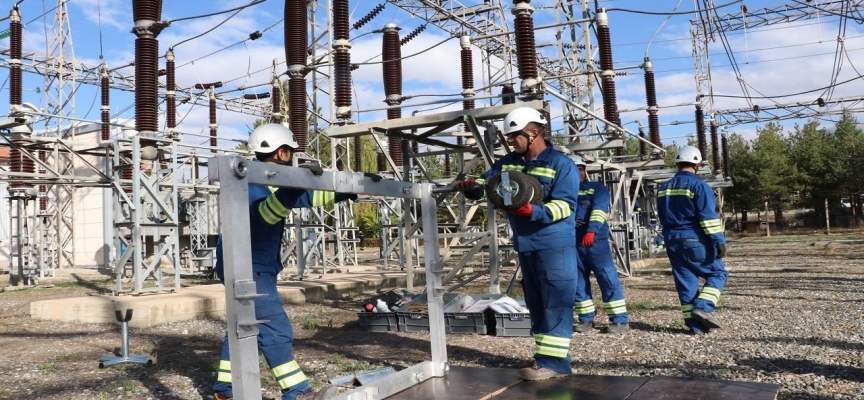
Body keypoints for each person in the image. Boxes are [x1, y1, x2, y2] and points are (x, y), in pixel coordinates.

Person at [213, 123, 356, 400]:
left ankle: (225, 391)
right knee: (276, 329)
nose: (292, 156)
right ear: (281, 152)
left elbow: (304, 196)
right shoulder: (252, 180)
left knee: (243, 326)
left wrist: (343, 191)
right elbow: (267, 214)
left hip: (253, 264)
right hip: (248, 267)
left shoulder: (267, 179)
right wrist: (295, 185)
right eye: (290, 151)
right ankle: (297, 392)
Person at [455, 107, 579, 381]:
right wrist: (473, 187)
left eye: (515, 136)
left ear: (534, 132)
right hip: (526, 243)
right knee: (536, 302)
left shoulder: (561, 165)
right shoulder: (509, 162)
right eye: (509, 137)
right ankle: (545, 358)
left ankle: (556, 363)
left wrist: (532, 211)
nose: (510, 141)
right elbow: (488, 181)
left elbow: (566, 207)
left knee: (555, 301)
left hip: (554, 244)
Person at [656, 145, 727, 335]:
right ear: (697, 165)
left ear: (677, 164)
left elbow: (662, 216)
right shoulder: (699, 186)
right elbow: (707, 217)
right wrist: (718, 240)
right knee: (718, 273)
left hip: (672, 241)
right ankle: (703, 307)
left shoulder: (663, 188)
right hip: (694, 239)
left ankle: (695, 326)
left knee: (686, 281)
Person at [568, 155, 629, 334]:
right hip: (572, 243)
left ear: (585, 170)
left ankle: (619, 320)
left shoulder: (597, 188)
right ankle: (585, 319)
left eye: (580, 169)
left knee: (607, 278)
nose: (578, 173)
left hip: (595, 242)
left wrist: (591, 230)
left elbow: (599, 209)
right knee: (578, 282)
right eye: (574, 170)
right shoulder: (562, 192)